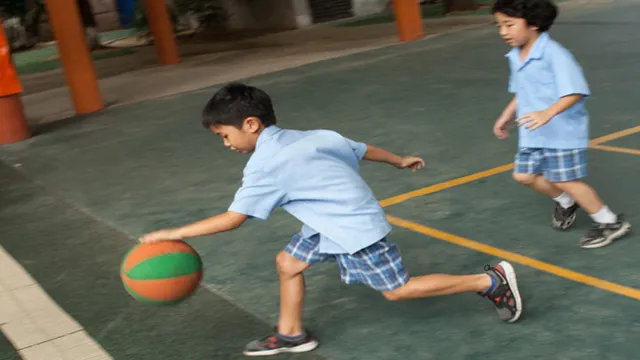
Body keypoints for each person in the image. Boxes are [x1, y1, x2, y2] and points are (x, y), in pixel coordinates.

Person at [139, 82, 523, 357]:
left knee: (397, 290)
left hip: (354, 229)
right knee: (288, 263)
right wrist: (397, 158)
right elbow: (360, 148)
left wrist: (173, 233)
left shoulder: (266, 165)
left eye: (224, 136)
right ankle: (291, 335)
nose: (226, 144)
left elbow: (233, 219)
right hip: (329, 222)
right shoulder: (312, 136)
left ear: (251, 124)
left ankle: (489, 281)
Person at [491, 0, 631, 248]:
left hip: (561, 132)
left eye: (509, 25)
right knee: (523, 176)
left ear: (533, 24)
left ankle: (609, 222)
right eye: (499, 25)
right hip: (533, 133)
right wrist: (506, 115)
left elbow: (576, 91)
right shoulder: (516, 55)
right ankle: (567, 202)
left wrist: (547, 113)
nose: (503, 32)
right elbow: (523, 90)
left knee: (565, 179)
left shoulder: (555, 54)